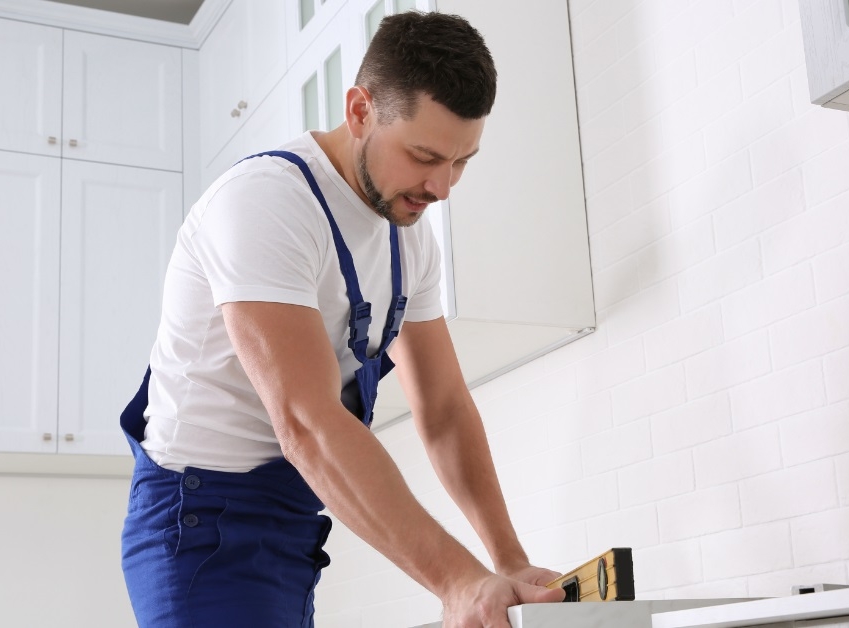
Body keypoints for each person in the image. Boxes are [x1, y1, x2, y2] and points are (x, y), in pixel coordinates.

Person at [119, 11, 564, 627]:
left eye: (462, 162)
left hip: (291, 521)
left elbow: (444, 408)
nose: (442, 187)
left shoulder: (409, 238)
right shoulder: (268, 202)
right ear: (360, 111)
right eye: (424, 155)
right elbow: (305, 420)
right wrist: (457, 580)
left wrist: (506, 559)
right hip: (199, 520)